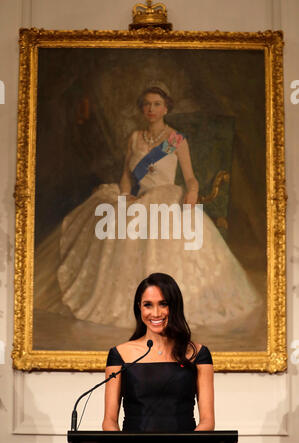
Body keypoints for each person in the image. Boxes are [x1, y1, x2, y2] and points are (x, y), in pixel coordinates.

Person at [34, 81, 262, 334]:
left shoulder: (175, 140)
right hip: (139, 198)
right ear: (142, 109)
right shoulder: (134, 138)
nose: (151, 109)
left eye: (157, 104)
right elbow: (126, 176)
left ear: (166, 109)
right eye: (147, 105)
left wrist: (193, 191)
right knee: (115, 218)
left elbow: (190, 178)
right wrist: (124, 196)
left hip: (166, 197)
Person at [102, 272, 215, 432]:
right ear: (139, 306)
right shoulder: (119, 354)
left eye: (163, 304)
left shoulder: (198, 354)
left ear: (175, 306)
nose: (155, 313)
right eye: (148, 305)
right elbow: (109, 421)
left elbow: (208, 421)